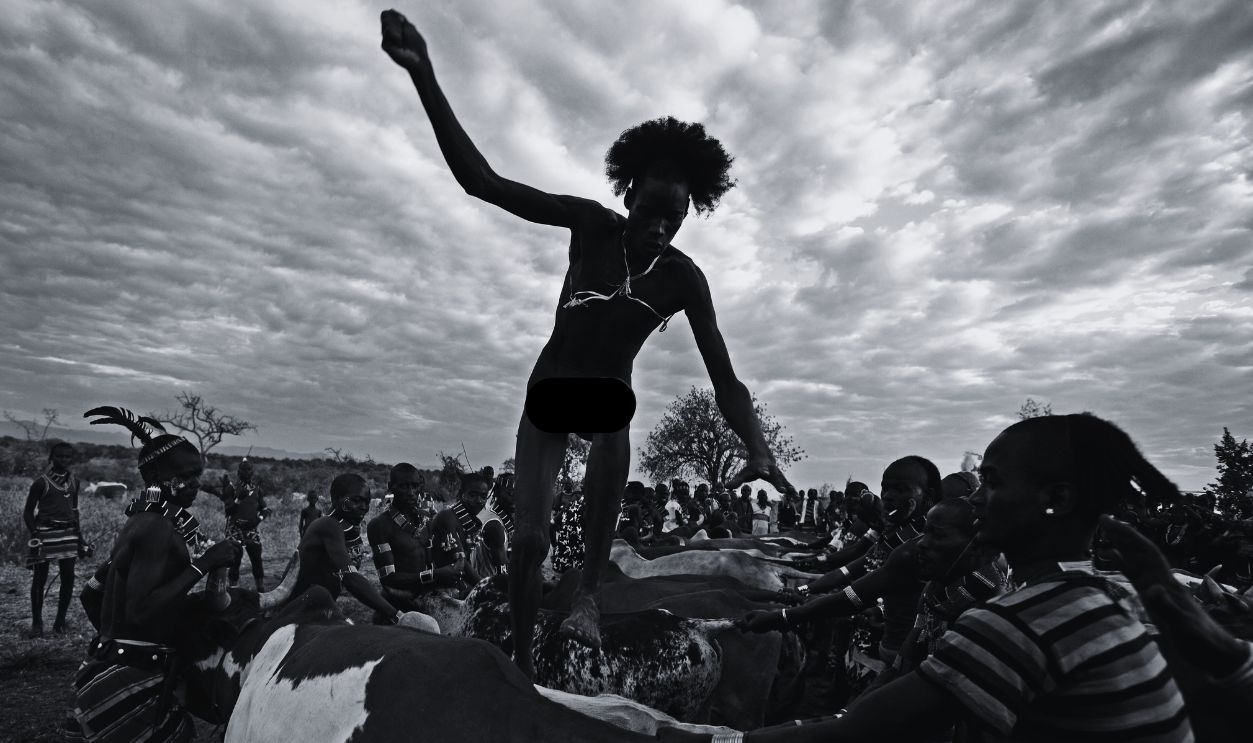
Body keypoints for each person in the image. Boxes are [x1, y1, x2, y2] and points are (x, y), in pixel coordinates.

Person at [380, 9, 796, 675]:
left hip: (608, 400)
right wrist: (424, 74)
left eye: (675, 218)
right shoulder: (588, 224)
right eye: (650, 211)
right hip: (550, 390)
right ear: (628, 197)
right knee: (529, 543)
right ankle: (515, 661)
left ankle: (588, 600)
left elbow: (727, 382)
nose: (660, 228)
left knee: (601, 499)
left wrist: (756, 445)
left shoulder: (685, 279)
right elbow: (480, 182)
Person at [664, 413, 1196, 742]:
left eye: (991, 483)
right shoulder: (1102, 592)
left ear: (1055, 501)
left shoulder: (1016, 622)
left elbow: (858, 729)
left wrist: (707, 739)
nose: (977, 500)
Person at [74, 407, 241, 742]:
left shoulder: (140, 522)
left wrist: (113, 642)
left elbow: (91, 592)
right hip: (130, 681)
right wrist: (205, 563)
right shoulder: (157, 528)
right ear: (156, 478)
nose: (196, 484)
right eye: (188, 476)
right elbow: (141, 610)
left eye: (198, 475)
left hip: (107, 673)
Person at [297, 473, 424, 626]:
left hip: (321, 610)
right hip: (299, 612)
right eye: (356, 501)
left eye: (367, 502)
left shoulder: (348, 531)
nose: (364, 507)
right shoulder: (328, 525)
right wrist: (397, 616)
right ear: (337, 499)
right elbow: (351, 578)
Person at [367, 463, 467, 611]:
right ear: (391, 487)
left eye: (415, 486)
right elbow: (388, 579)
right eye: (404, 486)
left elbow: (447, 556)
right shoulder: (380, 525)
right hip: (398, 605)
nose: (411, 492)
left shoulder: (428, 519)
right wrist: (434, 576)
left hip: (432, 599)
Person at [24, 441, 82, 637]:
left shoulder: (75, 481)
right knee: (39, 579)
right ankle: (37, 624)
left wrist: (80, 539)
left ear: (71, 459)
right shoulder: (41, 483)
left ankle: (59, 623)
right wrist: (35, 534)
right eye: (59, 456)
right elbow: (28, 513)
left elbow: (75, 511)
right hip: (45, 533)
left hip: (68, 533)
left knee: (68, 578)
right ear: (51, 458)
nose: (64, 460)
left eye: (67, 457)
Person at [203, 460, 270, 590]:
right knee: (234, 562)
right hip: (234, 529)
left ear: (253, 472)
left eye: (249, 469)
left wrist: (258, 519)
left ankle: (261, 591)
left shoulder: (257, 489)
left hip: (251, 529)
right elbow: (228, 511)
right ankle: (233, 592)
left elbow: (266, 509)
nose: (246, 472)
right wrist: (239, 499)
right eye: (243, 470)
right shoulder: (231, 488)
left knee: (257, 561)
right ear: (238, 473)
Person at [424, 472, 493, 589]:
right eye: (472, 494)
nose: (478, 500)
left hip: (462, 585)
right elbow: (462, 563)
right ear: (462, 494)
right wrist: (487, 588)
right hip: (440, 589)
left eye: (483, 496)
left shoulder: (473, 518)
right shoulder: (447, 517)